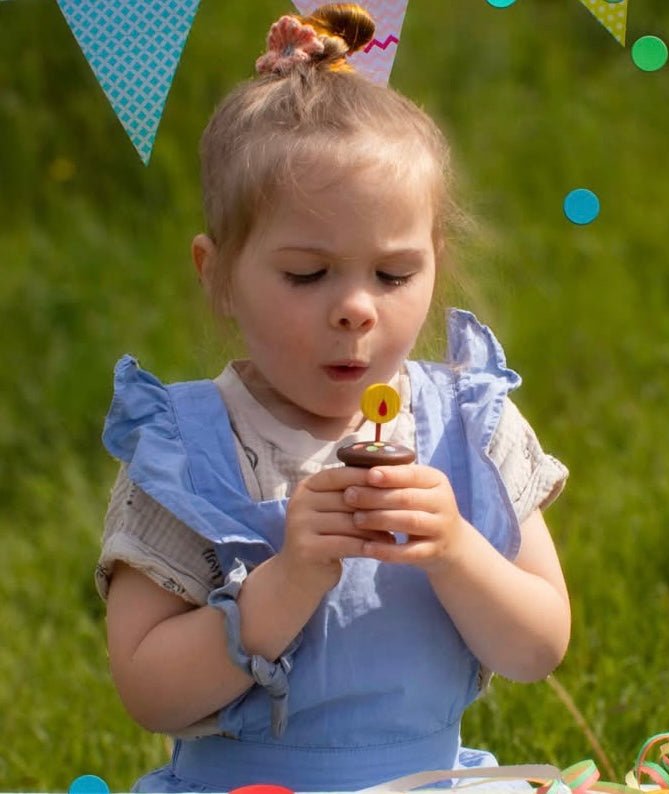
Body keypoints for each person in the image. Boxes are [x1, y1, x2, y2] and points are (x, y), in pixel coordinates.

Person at [97, 4, 571, 792]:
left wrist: (456, 551)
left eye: (392, 274)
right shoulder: (188, 452)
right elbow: (147, 692)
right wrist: (282, 586)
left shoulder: (467, 427)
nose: (356, 307)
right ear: (216, 274)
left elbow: (538, 647)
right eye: (307, 275)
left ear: (434, 261)